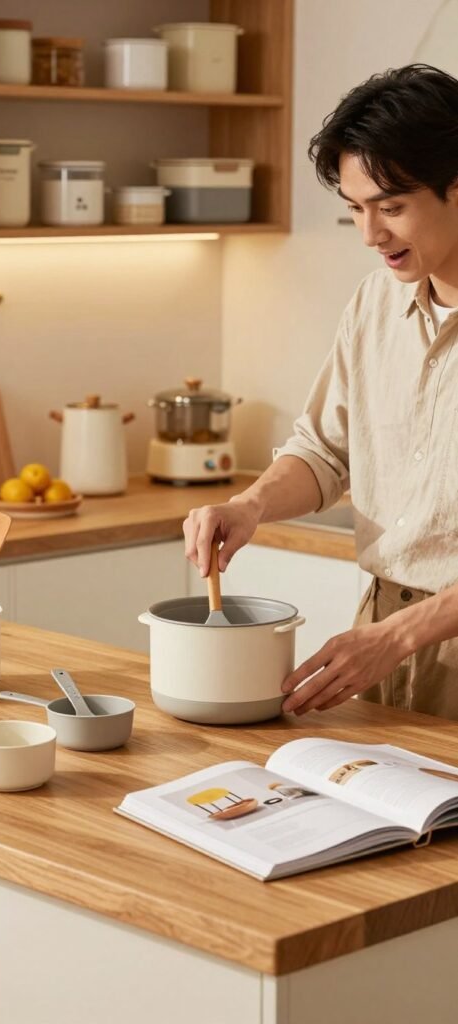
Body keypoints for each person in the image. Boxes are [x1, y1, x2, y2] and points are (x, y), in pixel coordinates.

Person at [183, 64, 458, 720]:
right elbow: (325, 454)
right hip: (380, 629)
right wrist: (248, 505)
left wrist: (399, 635)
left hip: (410, 634)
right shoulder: (372, 304)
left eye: (390, 207)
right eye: (354, 210)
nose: (370, 235)